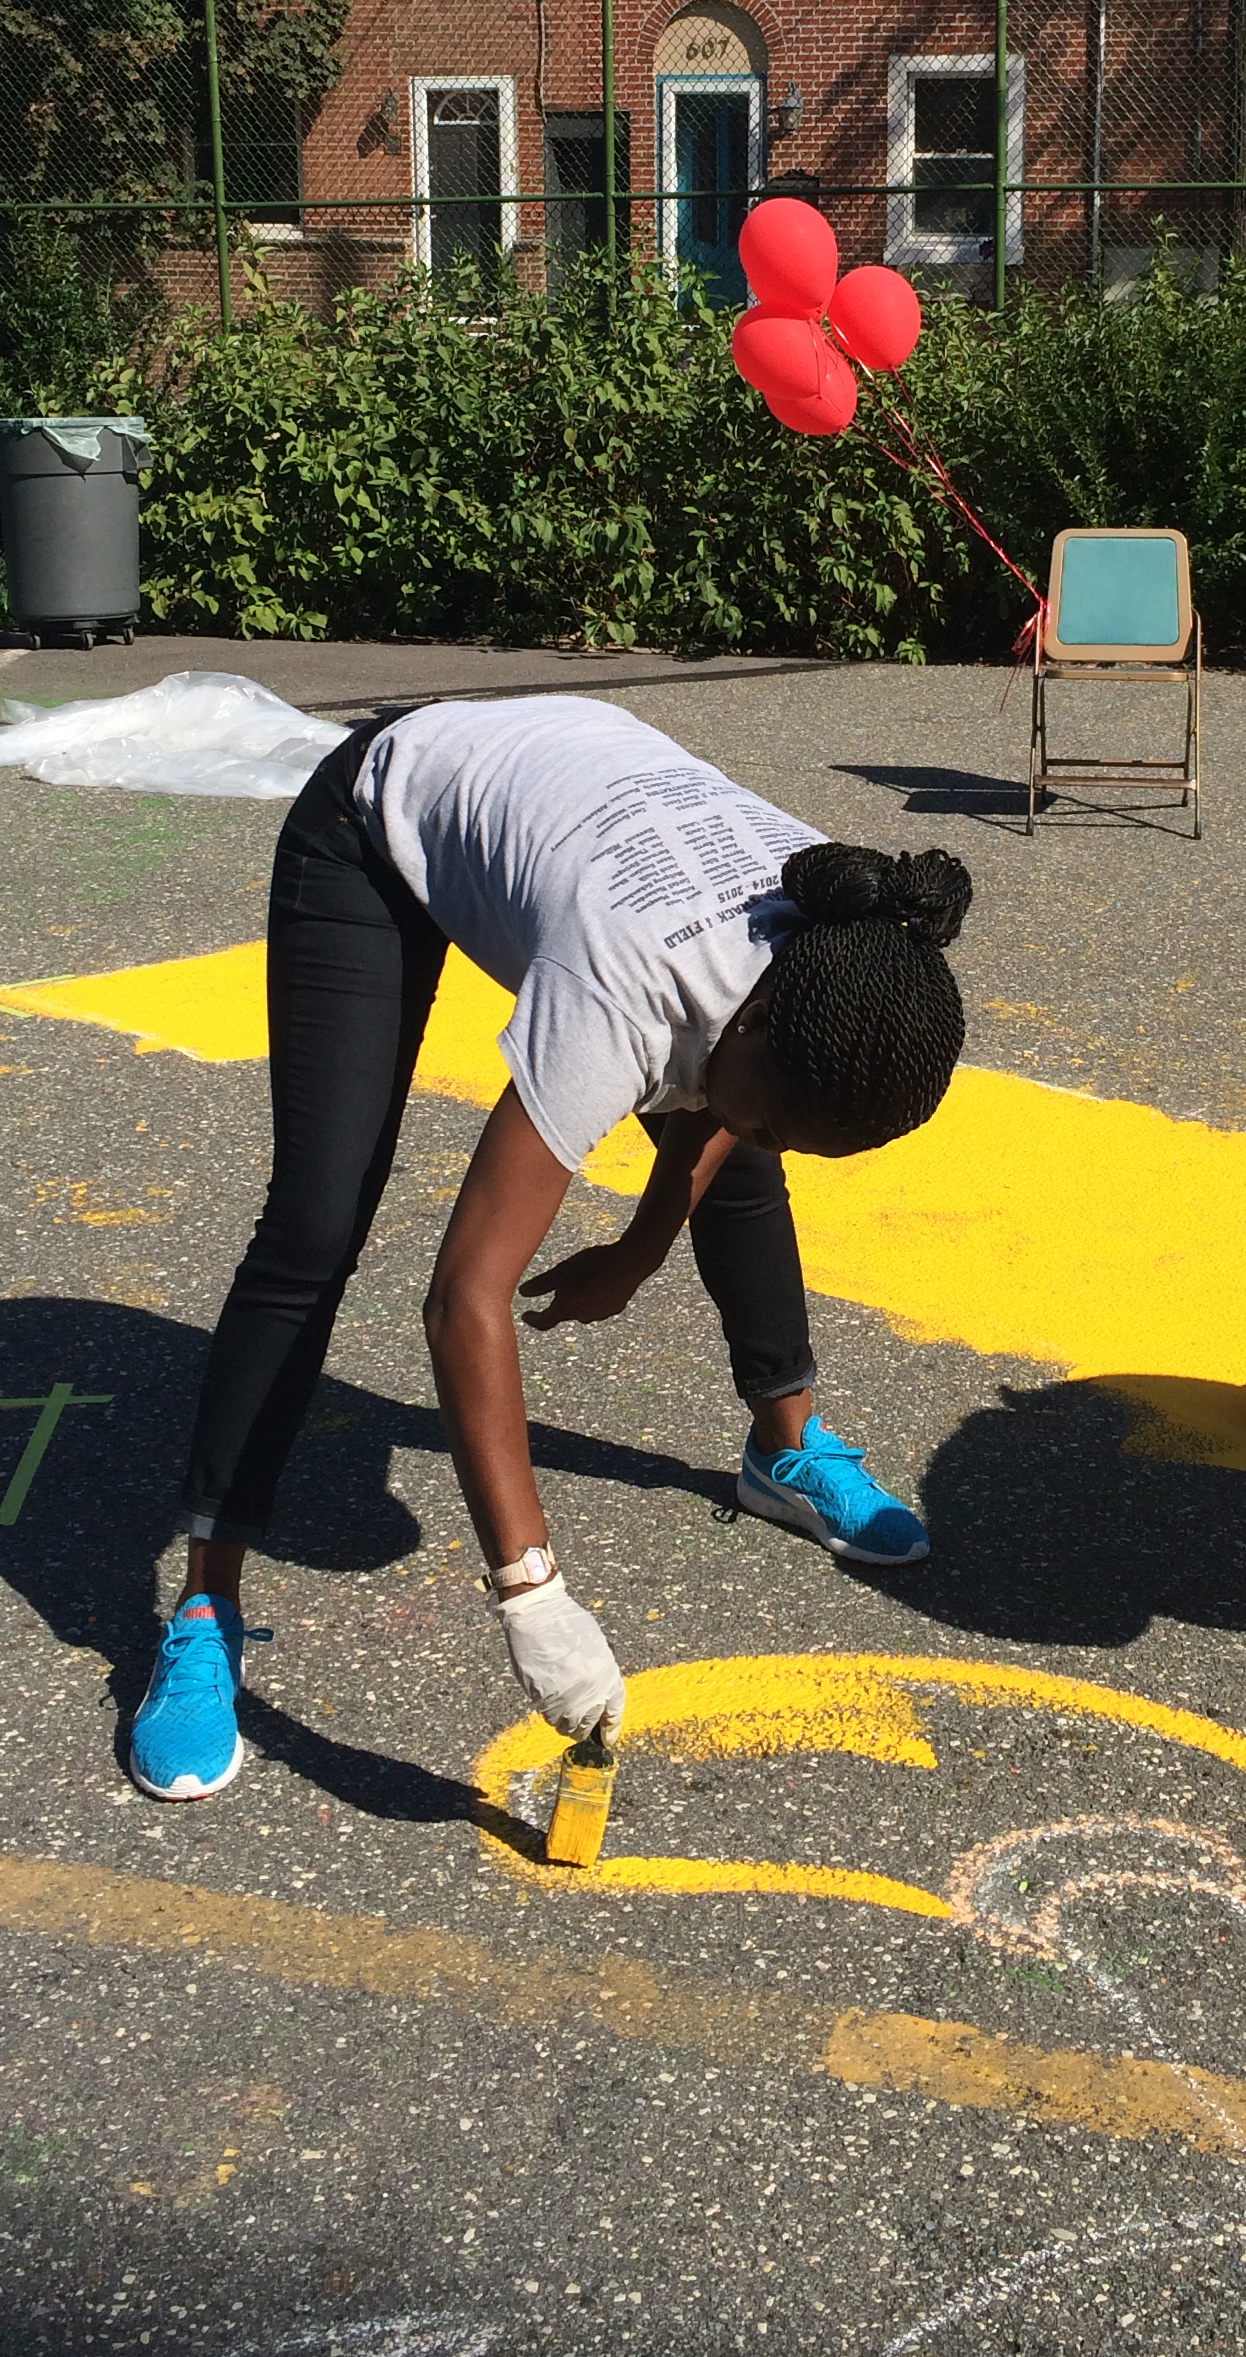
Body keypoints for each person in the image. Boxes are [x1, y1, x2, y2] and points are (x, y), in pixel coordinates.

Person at [128, 693, 972, 1802]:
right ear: (757, 1019)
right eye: (772, 1115)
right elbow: (463, 1299)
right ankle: (204, 1606)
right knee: (316, 1223)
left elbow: (727, 1106)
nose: (758, 1132)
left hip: (574, 806)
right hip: (376, 821)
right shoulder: (621, 991)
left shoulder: (843, 935)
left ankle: (784, 1450)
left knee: (741, 1157)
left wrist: (641, 1246)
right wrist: (532, 1595)